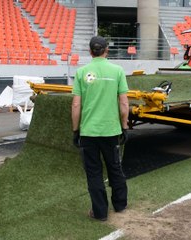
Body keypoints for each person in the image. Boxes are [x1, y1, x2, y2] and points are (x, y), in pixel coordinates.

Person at [71, 36, 129, 221]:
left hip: (88, 132)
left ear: (90, 51)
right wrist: (125, 126)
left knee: (94, 173)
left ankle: (100, 213)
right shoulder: (118, 71)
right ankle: (120, 206)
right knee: (115, 167)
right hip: (111, 131)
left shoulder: (81, 72)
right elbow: (124, 103)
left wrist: (75, 130)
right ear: (107, 50)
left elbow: (75, 105)